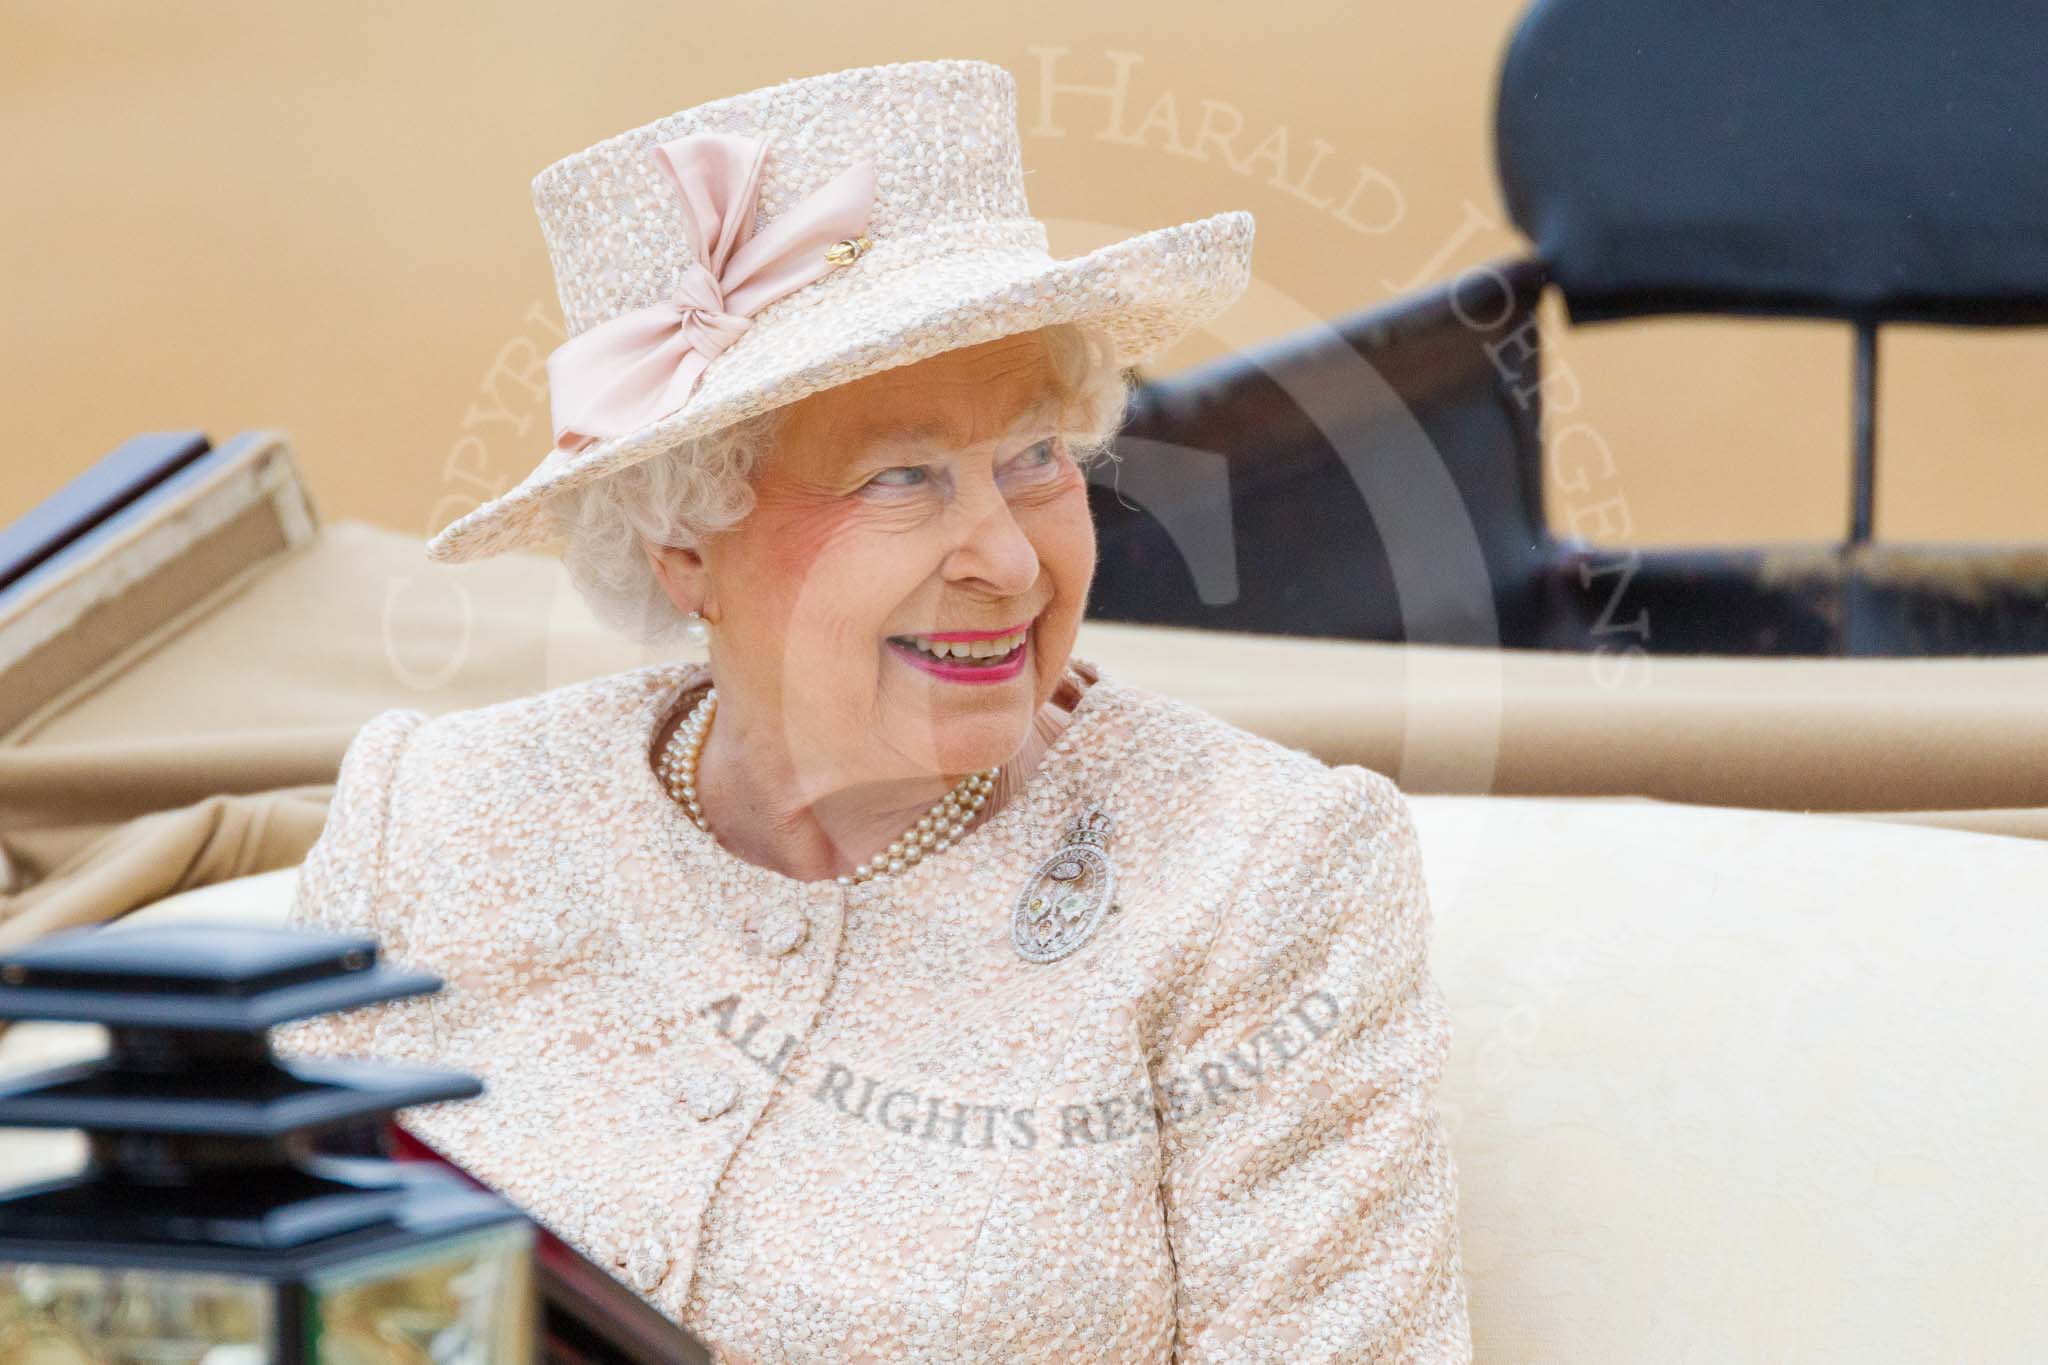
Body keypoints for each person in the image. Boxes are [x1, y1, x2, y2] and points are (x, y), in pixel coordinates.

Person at [276, 58, 1472, 1363]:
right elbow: (249, 1291)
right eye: (902, 478)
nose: (1009, 562)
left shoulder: (1266, 873)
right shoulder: (432, 822)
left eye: (1035, 460)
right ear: (684, 545)